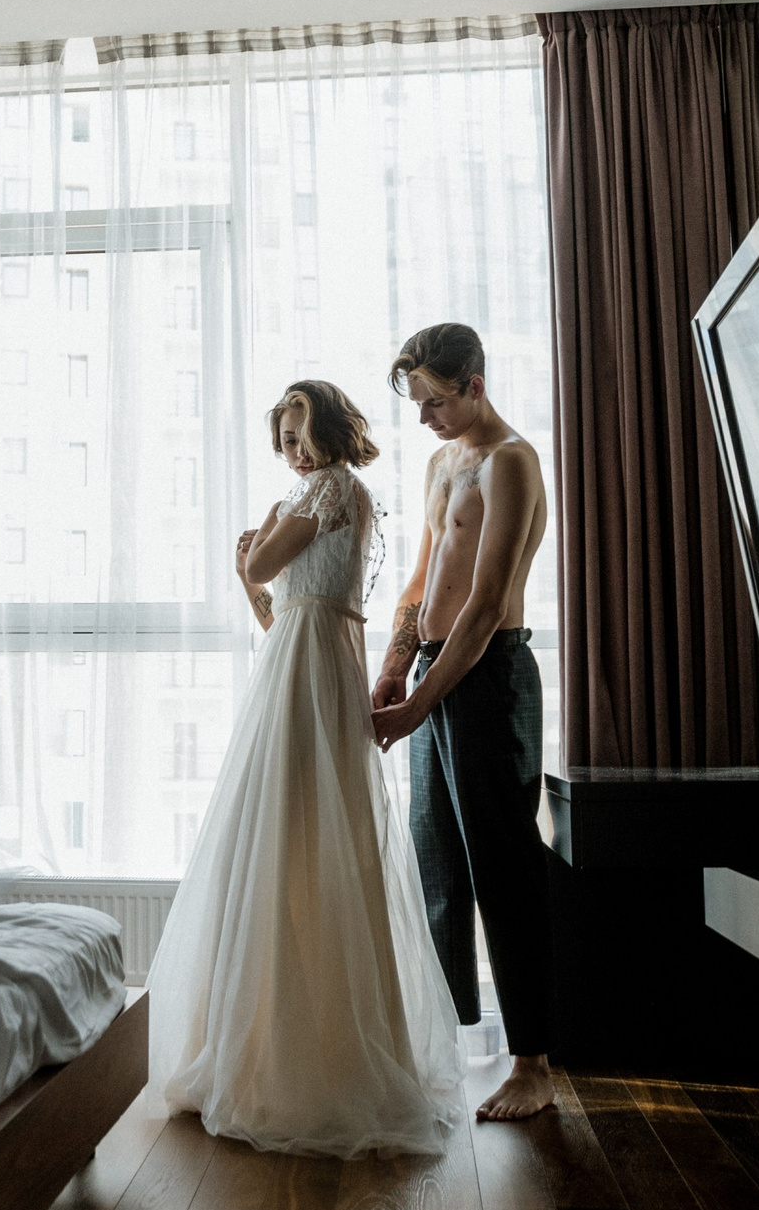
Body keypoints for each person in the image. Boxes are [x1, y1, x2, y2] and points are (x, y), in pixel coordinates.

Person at [146, 381, 463, 1157]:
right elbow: (275, 604)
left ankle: (283, 1053)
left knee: (283, 835)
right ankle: (304, 1036)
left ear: (324, 428)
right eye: (283, 437)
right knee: (313, 838)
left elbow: (265, 568)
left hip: (309, 668)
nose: (291, 449)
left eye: (299, 431)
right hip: (313, 655)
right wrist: (249, 571)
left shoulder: (327, 486)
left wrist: (246, 556)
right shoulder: (345, 494)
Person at [369, 323, 559, 1121]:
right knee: (436, 860)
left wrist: (420, 702)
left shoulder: (512, 461)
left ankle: (535, 1061)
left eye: (434, 402)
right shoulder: (444, 462)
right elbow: (421, 579)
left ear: (474, 385)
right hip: (433, 672)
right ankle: (443, 1038)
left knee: (502, 867)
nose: (424, 420)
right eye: (416, 404)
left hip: (488, 677)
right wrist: (391, 666)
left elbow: (484, 606)